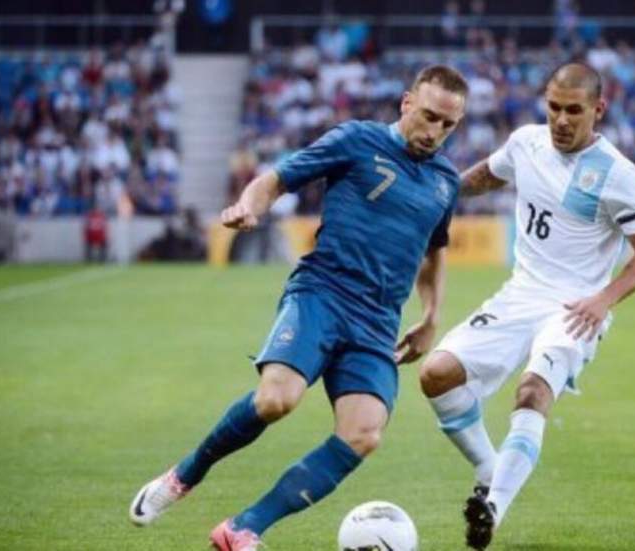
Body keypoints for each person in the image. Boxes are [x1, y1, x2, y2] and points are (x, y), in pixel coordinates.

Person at [129, 65, 469, 551]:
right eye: (430, 116)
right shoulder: (357, 140)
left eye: (448, 125)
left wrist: (432, 317)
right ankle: (184, 475)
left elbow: (433, 251)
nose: (435, 132)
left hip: (377, 323)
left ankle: (242, 528)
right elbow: (275, 179)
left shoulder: (445, 181)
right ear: (406, 103)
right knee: (275, 400)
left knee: (364, 433)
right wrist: (250, 206)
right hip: (323, 293)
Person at [417, 63, 635, 550]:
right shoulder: (526, 142)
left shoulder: (619, 175)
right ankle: (492, 469)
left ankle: (493, 508)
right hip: (519, 295)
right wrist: (438, 187)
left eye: (575, 110)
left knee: (531, 393)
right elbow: (488, 175)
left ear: (598, 110)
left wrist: (603, 299)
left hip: (575, 307)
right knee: (435, 373)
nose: (562, 120)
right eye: (554, 108)